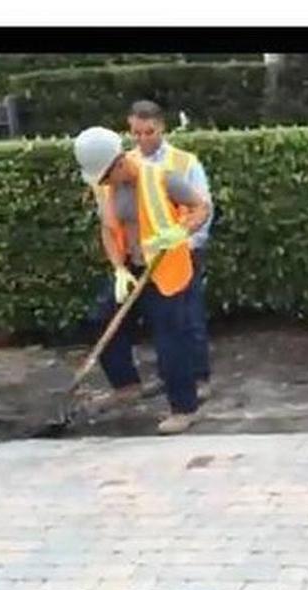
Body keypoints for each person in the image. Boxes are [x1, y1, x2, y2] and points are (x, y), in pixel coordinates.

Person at [74, 126, 210, 435]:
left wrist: (182, 230)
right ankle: (126, 386)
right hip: (132, 268)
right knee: (101, 319)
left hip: (166, 267)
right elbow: (108, 229)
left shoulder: (162, 177)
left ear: (119, 162)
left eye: (105, 176)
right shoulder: (107, 187)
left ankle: (184, 408)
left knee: (170, 338)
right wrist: (118, 269)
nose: (103, 183)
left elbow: (202, 207)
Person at [114, 100, 216, 399]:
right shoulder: (125, 164)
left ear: (161, 128)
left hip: (183, 250)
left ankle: (199, 378)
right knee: (162, 321)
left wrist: (187, 242)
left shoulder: (183, 162)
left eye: (149, 132)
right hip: (146, 255)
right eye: (136, 133)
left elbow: (202, 205)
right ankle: (169, 376)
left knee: (189, 318)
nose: (143, 139)